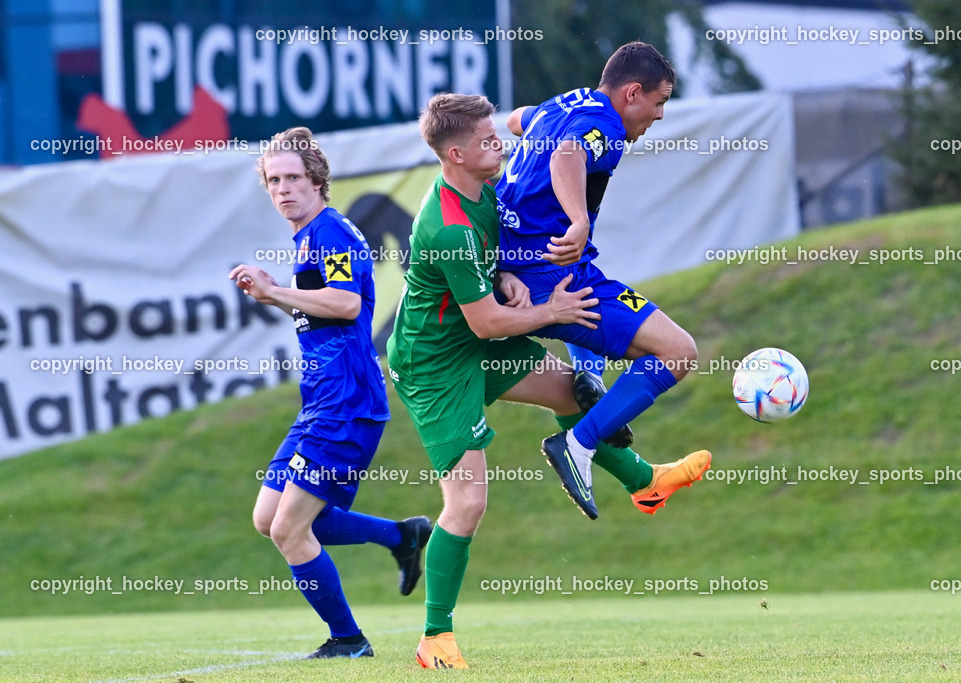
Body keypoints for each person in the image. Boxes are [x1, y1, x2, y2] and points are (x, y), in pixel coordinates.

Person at [386, 93, 708, 670]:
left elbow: (494, 265)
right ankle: (435, 637)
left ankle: (644, 482)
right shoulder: (448, 227)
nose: (501, 144)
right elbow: (486, 319)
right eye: (488, 141)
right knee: (468, 502)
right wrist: (552, 310)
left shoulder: (482, 193)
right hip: (434, 366)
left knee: (575, 393)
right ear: (456, 154)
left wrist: (508, 271)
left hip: (474, 342)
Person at [231, 126, 431, 660]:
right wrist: (276, 298)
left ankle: (349, 640)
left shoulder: (331, 234)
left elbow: (345, 305)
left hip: (347, 403)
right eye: (273, 181)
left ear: (318, 181)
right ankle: (401, 536)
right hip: (321, 402)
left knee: (290, 530)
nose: (283, 189)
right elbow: (324, 313)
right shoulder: (309, 237)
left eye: (293, 177)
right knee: (267, 519)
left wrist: (275, 289)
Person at [494, 42, 711, 520]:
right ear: (632, 93)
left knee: (601, 289)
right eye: (659, 102)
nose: (658, 116)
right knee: (679, 352)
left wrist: (539, 128)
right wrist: (577, 220)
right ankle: (579, 443)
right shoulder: (606, 127)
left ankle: (590, 377)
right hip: (547, 273)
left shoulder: (567, 104)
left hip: (531, 264)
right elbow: (568, 154)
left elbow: (516, 119)